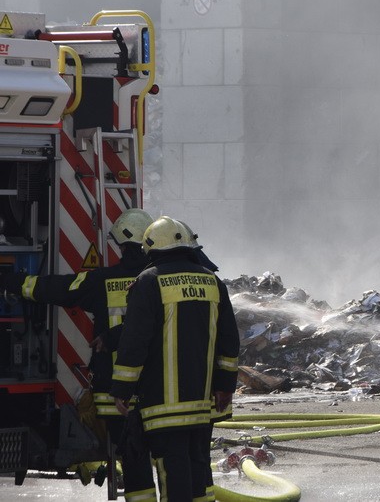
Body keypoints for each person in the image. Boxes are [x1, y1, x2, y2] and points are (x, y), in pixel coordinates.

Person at [0, 208, 156, 494]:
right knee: (169, 461)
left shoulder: (102, 281)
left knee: (133, 460)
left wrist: (18, 282)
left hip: (115, 392)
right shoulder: (159, 282)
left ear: (122, 246)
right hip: (158, 391)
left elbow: (60, 288)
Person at [110, 216, 240, 502]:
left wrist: (122, 389)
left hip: (163, 406)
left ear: (152, 249)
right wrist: (225, 386)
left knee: (173, 472)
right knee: (198, 470)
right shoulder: (213, 281)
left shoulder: (148, 281)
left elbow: (134, 343)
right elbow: (229, 340)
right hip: (203, 404)